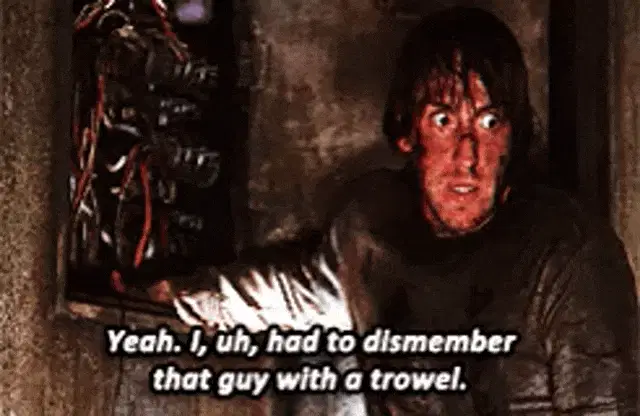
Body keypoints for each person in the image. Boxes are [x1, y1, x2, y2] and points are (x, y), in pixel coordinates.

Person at [161, 6, 639, 415]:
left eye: (490, 122)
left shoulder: (568, 256)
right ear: (408, 131)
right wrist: (177, 295)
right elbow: (291, 294)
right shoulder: (372, 228)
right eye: (444, 120)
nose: (468, 156)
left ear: (512, 138)